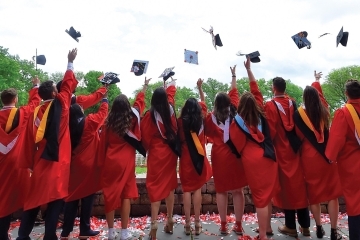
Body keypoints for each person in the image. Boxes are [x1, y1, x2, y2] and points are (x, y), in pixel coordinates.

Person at [16, 49, 79, 240]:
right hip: (58, 162)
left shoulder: (35, 112)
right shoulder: (63, 105)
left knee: (34, 201)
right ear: (54, 92)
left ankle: (22, 236)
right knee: (56, 201)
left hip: (40, 162)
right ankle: (49, 236)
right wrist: (70, 62)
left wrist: (29, 162)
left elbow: (28, 139)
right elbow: (68, 85)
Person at [229, 57, 279, 240]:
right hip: (269, 155)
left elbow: (237, 144)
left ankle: (263, 235)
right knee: (268, 195)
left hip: (252, 159)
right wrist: (249, 70)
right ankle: (268, 229)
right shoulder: (262, 112)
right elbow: (255, 89)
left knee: (259, 197)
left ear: (241, 106)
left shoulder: (237, 122)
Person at [99, 77, 150, 240]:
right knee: (126, 195)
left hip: (111, 162)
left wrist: (100, 164)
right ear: (127, 107)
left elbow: (102, 145)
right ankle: (124, 232)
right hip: (126, 163)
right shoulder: (132, 120)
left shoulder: (108, 123)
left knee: (110, 196)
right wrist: (144, 87)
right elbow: (139, 104)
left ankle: (110, 231)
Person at [293, 71, 342, 240]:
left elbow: (298, 137)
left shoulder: (299, 115)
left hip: (309, 158)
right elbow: (321, 97)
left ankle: (319, 227)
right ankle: (334, 230)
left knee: (314, 195)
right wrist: (316, 81)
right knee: (332, 195)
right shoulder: (325, 111)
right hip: (326, 156)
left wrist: (316, 81)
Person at [264, 77, 310, 237]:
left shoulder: (270, 106)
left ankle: (290, 225)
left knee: (287, 189)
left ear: (274, 88)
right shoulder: (292, 103)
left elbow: (270, 131)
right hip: (295, 150)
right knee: (299, 187)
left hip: (281, 151)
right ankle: (305, 226)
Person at [60, 92, 109, 239]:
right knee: (87, 198)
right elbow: (103, 113)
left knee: (71, 199)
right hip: (88, 166)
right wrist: (105, 99)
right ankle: (84, 229)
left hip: (73, 167)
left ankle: (65, 231)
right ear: (80, 111)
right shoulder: (89, 122)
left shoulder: (66, 126)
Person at [204, 65, 246, 235]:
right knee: (238, 190)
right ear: (228, 102)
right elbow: (234, 91)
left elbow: (206, 134)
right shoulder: (235, 111)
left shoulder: (210, 118)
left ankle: (223, 225)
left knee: (221, 191)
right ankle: (238, 224)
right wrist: (234, 75)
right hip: (235, 155)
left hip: (219, 155)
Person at [0, 77, 41, 240]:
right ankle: (23, 234)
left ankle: (2, 234)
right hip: (19, 164)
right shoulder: (21, 113)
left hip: (1, 165)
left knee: (2, 198)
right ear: (15, 100)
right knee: (29, 197)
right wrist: (35, 86)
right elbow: (35, 103)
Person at [141, 78, 180, 240]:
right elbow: (171, 95)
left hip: (156, 154)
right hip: (170, 154)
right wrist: (171, 84)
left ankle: (154, 223)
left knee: (156, 188)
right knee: (169, 186)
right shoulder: (170, 110)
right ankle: (170, 219)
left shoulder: (149, 116)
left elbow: (146, 138)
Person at [326, 79, 360, 240]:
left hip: (352, 165)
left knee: (355, 204)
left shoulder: (344, 113)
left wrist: (330, 157)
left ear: (346, 93)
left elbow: (335, 141)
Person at [178, 79, 212, 235]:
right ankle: (198, 224)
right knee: (197, 189)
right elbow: (203, 102)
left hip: (185, 158)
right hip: (199, 157)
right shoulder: (202, 118)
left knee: (186, 190)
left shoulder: (180, 122)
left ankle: (187, 224)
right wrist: (200, 89)